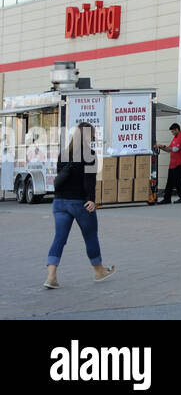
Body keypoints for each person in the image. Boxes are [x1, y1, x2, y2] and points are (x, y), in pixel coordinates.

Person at [45, 123, 115, 289]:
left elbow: (60, 180)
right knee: (90, 236)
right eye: (92, 134)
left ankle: (51, 276)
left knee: (59, 238)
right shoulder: (89, 154)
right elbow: (89, 180)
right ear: (87, 136)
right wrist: (91, 199)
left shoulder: (63, 154)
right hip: (80, 203)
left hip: (59, 202)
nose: (93, 137)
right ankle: (99, 271)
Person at [155, 122, 181, 204]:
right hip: (172, 164)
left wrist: (162, 146)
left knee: (178, 181)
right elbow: (168, 149)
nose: (172, 133)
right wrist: (160, 147)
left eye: (173, 131)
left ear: (177, 129)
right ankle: (167, 199)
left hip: (178, 163)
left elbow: (175, 149)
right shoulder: (175, 138)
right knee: (169, 182)